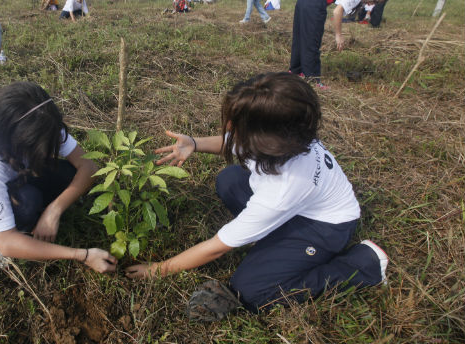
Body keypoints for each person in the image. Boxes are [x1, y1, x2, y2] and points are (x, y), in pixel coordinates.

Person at [125, 73, 388, 319]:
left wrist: (160, 269)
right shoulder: (289, 132)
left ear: (263, 142)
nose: (228, 127)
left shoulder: (281, 190)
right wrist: (194, 143)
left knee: (251, 290)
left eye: (235, 126)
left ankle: (364, 264)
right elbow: (233, 142)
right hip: (303, 206)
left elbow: (216, 248)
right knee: (229, 180)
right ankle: (276, 244)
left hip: (326, 227)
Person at [0, 81, 117, 273]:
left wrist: (54, 210)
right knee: (27, 204)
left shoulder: (38, 117)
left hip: (13, 166)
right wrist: (83, 255)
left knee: (68, 174)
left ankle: (35, 209)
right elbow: (7, 242)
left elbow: (88, 166)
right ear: (19, 143)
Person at [289, 0, 394, 87]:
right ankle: (312, 80)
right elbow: (337, 11)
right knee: (312, 39)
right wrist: (338, 35)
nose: (370, 4)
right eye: (375, 0)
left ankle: (295, 71)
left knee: (299, 36)